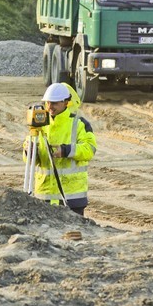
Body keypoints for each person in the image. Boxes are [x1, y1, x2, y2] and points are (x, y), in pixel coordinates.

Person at [23, 82, 96, 216]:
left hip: (72, 196)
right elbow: (28, 157)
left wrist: (66, 151)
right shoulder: (40, 123)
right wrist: (29, 151)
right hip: (45, 195)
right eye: (48, 103)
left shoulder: (79, 124)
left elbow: (89, 150)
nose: (50, 107)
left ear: (66, 102)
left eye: (55, 103)